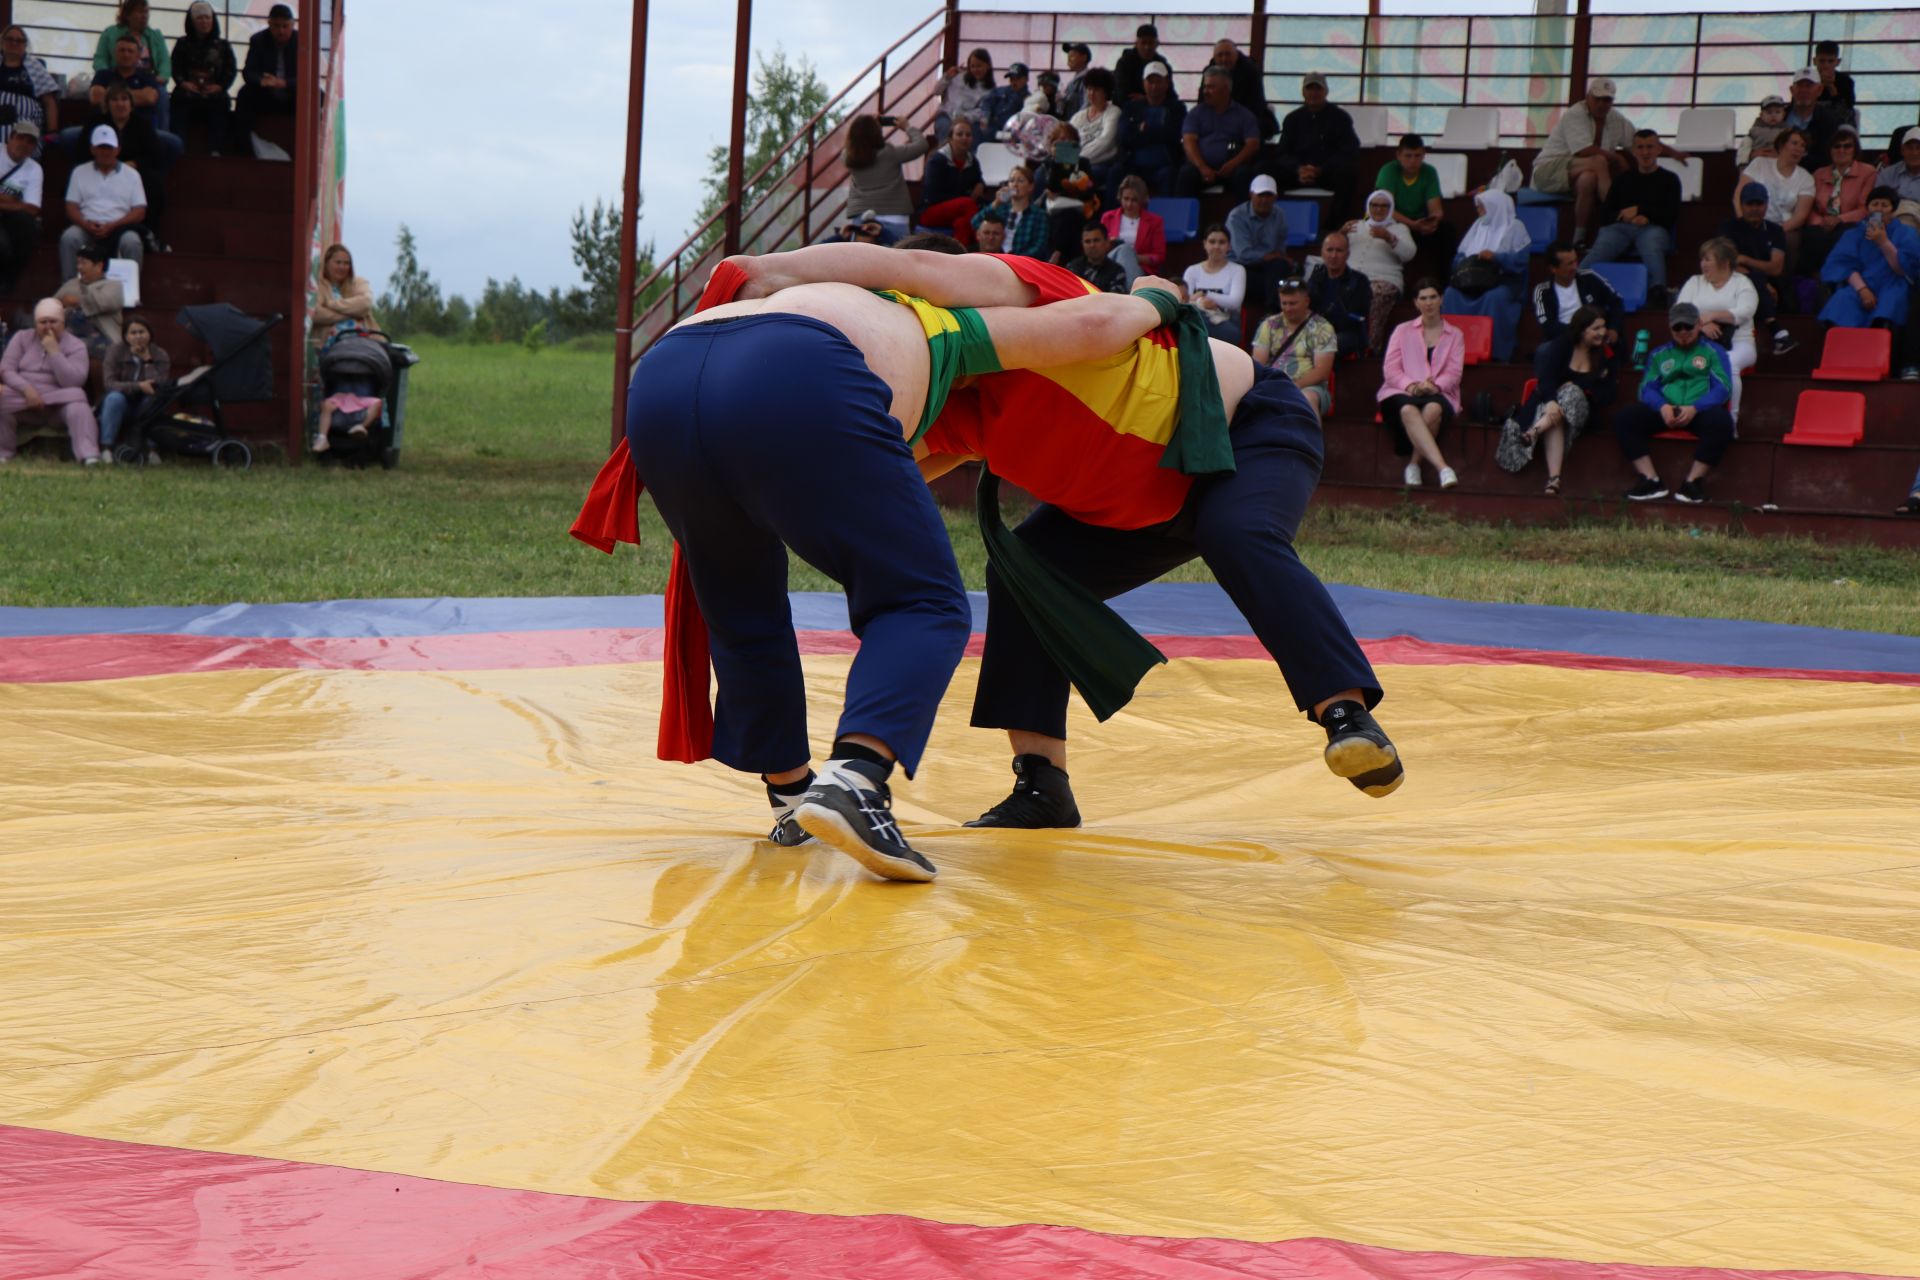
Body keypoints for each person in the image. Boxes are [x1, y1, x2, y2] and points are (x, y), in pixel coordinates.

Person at [723, 242, 1405, 824]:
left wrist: (777, 270)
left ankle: (1345, 714)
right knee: (1023, 571)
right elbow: (875, 485)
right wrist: (771, 509)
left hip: (1244, 432)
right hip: (1141, 501)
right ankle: (1041, 783)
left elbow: (912, 263)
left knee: (1239, 534)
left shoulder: (1030, 298)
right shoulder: (952, 398)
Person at [599, 257, 1183, 879]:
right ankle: (857, 777)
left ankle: (794, 796)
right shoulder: (943, 325)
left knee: (742, 605)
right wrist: (1157, 296)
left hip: (665, 375)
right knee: (923, 602)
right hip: (797, 371)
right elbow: (1096, 325)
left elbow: (888, 467)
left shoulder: (838, 300)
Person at [1616, 301, 1736, 504]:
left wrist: (1696, 407)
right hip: (1667, 409)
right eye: (1677, 327)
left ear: (1699, 324)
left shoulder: (1714, 352)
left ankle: (1692, 483)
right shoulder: (1658, 354)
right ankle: (1650, 480)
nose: (1683, 332)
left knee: (1723, 423)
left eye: (1688, 326)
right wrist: (1662, 407)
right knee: (1625, 418)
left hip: (1698, 411)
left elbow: (1723, 387)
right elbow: (1646, 388)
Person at [1508, 306, 1617, 495]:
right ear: (1582, 330)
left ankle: (1533, 432)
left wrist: (1587, 387)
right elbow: (1546, 378)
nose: (1602, 332)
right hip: (1554, 410)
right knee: (1556, 412)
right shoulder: (1563, 345)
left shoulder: (1606, 356)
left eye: (1603, 327)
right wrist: (1551, 401)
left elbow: (1607, 396)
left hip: (1583, 414)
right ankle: (1554, 479)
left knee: (1571, 391)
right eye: (1596, 328)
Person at [1580, 128, 1682, 306]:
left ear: (1658, 149)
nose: (1645, 152)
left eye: (1650, 147)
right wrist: (1623, 216)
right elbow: (1605, 213)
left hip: (1653, 228)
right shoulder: (1622, 179)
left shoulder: (1670, 179)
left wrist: (1643, 212)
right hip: (1621, 227)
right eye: (1640, 147)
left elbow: (1671, 214)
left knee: (1652, 245)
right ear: (1633, 151)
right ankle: (1576, 282)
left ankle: (1657, 293)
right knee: (1602, 245)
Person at [1529, 77, 1636, 247]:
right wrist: (1617, 158)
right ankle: (1616, 220)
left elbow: (1638, 142)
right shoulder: (1575, 113)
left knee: (1589, 179)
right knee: (1599, 161)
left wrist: (1672, 153)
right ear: (1588, 97)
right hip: (1547, 171)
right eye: (1597, 99)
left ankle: (1578, 237)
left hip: (1575, 175)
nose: (1601, 104)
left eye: (1606, 100)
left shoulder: (1615, 118)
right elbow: (1583, 150)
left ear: (1612, 101)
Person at [1378, 279, 1462, 489]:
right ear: (1415, 303)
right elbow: (1390, 370)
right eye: (1423, 298)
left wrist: (1435, 387)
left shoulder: (1455, 334)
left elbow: (1454, 372)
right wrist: (1413, 387)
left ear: (1441, 299)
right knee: (1407, 409)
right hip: (1400, 390)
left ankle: (1413, 464)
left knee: (1433, 408)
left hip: (1439, 391)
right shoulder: (1402, 330)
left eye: (1433, 297)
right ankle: (1443, 467)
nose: (1429, 303)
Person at [0, 299, 101, 465]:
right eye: (43, 322)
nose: (48, 327)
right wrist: (27, 390)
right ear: (35, 323)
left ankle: (89, 455)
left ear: (62, 323)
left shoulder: (76, 345)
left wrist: (54, 352)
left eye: (53, 321)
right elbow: (6, 369)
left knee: (79, 404)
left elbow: (74, 381)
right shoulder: (22, 338)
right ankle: (3, 453)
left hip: (59, 403)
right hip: (24, 401)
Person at [1442, 188, 1531, 363]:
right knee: (1451, 294)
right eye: (1478, 208)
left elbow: (1520, 261)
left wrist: (1497, 257)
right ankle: (1452, 350)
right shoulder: (1478, 225)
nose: (1480, 211)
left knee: (1494, 298)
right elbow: (1459, 256)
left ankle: (1494, 352)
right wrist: (1466, 262)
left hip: (1502, 280)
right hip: (1472, 280)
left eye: (1483, 207)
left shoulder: (1515, 227)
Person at [1818, 187, 1920, 338]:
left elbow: (1906, 270)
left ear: (1893, 209)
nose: (1879, 209)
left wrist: (1883, 242)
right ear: (1867, 208)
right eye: (1875, 204)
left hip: (1893, 284)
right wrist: (1862, 289)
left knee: (1890, 305)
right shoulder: (1853, 233)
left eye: (1885, 205)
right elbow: (1843, 264)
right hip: (1861, 284)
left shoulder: (1906, 233)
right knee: (1841, 301)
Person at [77, 82, 181, 229]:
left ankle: (149, 232)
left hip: (133, 171)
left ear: (131, 104)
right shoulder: (96, 123)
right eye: (115, 100)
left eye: (124, 99)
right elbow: (82, 153)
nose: (120, 104)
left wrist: (135, 163)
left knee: (154, 184)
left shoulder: (142, 124)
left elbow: (155, 155)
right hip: (100, 169)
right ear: (107, 104)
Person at [1676, 238, 1758, 420]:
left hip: (1739, 342)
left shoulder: (1742, 283)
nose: (1703, 264)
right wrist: (1702, 324)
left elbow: (1745, 311)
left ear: (1725, 262)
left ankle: (1731, 420)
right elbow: (1680, 311)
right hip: (1699, 341)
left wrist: (1712, 315)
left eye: (1708, 259)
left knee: (1728, 363)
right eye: (1702, 259)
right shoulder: (1694, 282)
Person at [60, 126, 146, 283]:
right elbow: (71, 206)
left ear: (117, 149)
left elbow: (140, 210)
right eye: (101, 147)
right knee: (70, 237)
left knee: (132, 241)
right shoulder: (79, 172)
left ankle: (131, 291)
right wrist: (86, 224)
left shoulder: (132, 175)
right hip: (86, 227)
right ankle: (70, 287)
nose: (105, 152)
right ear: (92, 149)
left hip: (119, 228)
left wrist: (114, 225)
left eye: (109, 147)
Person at [1269, 72, 1360, 213]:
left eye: (1318, 89)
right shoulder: (1292, 119)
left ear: (1326, 92)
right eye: (1309, 89)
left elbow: (1350, 149)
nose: (1313, 93)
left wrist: (1321, 169)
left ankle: (1334, 227)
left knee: (1348, 174)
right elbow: (1282, 153)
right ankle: (1277, 218)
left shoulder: (1340, 117)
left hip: (1326, 173)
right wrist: (1298, 169)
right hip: (1297, 173)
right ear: (1303, 92)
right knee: (1268, 172)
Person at [1721, 182, 1794, 355]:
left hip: (1772, 285)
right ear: (1741, 205)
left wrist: (1745, 259)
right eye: (1750, 204)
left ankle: (1777, 333)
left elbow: (1776, 268)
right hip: (1738, 284)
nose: (1754, 209)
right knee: (1753, 283)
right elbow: (1728, 264)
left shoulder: (1775, 231)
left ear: (1766, 205)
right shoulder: (1729, 228)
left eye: (1759, 204)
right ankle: (1777, 332)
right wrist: (1761, 282)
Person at [1249, 277, 1336, 422]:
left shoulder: (1323, 327)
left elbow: (1322, 371)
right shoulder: (1269, 324)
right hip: (1272, 382)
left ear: (1306, 301)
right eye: (1284, 303)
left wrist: (1293, 386)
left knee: (1307, 399)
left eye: (1293, 303)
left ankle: (1311, 443)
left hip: (1309, 386)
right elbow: (1257, 364)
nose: (1288, 308)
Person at [1343, 189, 1415, 351]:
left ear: (1391, 208)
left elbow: (1409, 254)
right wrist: (1341, 234)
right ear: (1368, 206)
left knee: (1374, 292)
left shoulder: (1399, 229)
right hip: (1351, 277)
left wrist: (1389, 238)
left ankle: (1368, 347)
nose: (1378, 209)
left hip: (1384, 279)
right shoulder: (1355, 226)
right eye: (1374, 205)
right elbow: (1335, 250)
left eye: (1384, 206)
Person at [1178, 67, 1262, 199]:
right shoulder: (1195, 113)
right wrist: (1202, 167)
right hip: (1201, 168)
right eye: (1205, 87)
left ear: (1226, 89)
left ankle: (1243, 218)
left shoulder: (1244, 115)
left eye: (1211, 87)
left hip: (1233, 168)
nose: (1206, 91)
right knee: (1186, 174)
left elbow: (1253, 144)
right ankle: (1183, 217)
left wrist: (1233, 164)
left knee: (1244, 174)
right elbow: (1189, 142)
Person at [1737, 127, 1815, 267]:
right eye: (1794, 143)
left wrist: (1774, 232)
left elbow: (1800, 217)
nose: (1798, 148)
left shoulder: (1806, 178)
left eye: (1803, 146)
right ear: (1781, 145)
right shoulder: (1759, 163)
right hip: (1750, 221)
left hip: (1783, 228)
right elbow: (1738, 196)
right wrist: (1743, 222)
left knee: (1789, 242)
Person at [1375, 134, 1454, 270]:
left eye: (1417, 156)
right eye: (1408, 156)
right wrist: (1411, 224)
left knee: (1448, 232)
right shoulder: (1388, 171)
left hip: (1420, 223)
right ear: (1398, 155)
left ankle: (1446, 282)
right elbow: (1385, 209)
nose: (1413, 161)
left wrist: (1433, 221)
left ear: (1424, 155)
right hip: (1395, 223)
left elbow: (1436, 208)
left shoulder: (1429, 171)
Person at [232, 3, 297, 159]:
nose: (280, 31)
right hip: (266, 94)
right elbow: (248, 72)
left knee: (318, 96)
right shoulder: (258, 40)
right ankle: (242, 147)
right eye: (276, 26)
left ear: (292, 25)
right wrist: (262, 81)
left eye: (285, 26)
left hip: (292, 96)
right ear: (269, 24)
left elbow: (308, 80)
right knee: (244, 94)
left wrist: (285, 83)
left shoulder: (302, 43)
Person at [93, 0, 170, 131]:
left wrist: (162, 76)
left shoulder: (155, 35)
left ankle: (160, 133)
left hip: (146, 80)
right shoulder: (110, 33)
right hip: (116, 78)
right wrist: (108, 75)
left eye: (146, 12)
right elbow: (100, 59)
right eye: (140, 12)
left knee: (161, 93)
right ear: (128, 14)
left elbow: (165, 61)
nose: (144, 15)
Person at [170, 2, 235, 155]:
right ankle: (178, 148)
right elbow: (175, 67)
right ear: (192, 22)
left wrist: (220, 86)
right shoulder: (182, 44)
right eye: (200, 18)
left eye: (207, 18)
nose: (204, 22)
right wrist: (184, 83)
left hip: (214, 93)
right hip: (188, 92)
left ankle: (216, 149)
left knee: (222, 103)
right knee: (178, 101)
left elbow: (230, 70)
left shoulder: (223, 45)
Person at [98, 312, 167, 455]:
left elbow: (160, 387)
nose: (138, 336)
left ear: (149, 334)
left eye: (142, 332)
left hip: (144, 403)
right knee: (114, 398)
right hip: (121, 401)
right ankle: (107, 448)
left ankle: (151, 449)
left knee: (153, 401)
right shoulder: (115, 351)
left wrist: (147, 361)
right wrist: (138, 386)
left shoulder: (160, 354)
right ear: (126, 336)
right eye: (133, 333)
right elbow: (109, 383)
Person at [1531, 241, 1623, 347]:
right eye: (1569, 264)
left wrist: (1613, 328)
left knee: (1611, 352)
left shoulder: (1590, 277)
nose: (1575, 267)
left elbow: (1617, 301)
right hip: (1562, 339)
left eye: (1575, 261)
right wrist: (1579, 333)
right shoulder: (1542, 291)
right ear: (1553, 268)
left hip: (1595, 337)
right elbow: (1548, 326)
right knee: (1543, 352)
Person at [1227, 174, 1291, 324]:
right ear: (1251, 194)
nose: (1264, 200)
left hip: (1268, 268)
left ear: (1275, 197)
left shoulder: (1279, 215)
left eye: (1269, 196)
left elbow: (1281, 250)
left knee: (1281, 268)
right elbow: (1243, 254)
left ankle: (1271, 312)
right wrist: (1269, 256)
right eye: (1260, 195)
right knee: (1274, 279)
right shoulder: (1236, 216)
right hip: (1241, 266)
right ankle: (1273, 311)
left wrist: (1275, 257)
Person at [840, 115, 928, 224]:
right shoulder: (890, 153)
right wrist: (907, 127)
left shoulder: (847, 157)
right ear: (876, 133)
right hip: (894, 213)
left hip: (861, 213)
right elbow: (922, 145)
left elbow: (859, 146)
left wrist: (867, 124)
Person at [1034, 120, 1101, 262]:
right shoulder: (1046, 166)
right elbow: (1049, 189)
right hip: (1051, 211)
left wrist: (1066, 193)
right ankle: (1056, 255)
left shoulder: (1083, 163)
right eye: (1060, 140)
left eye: (1068, 140)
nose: (1064, 144)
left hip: (1078, 209)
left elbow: (1088, 190)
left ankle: (1057, 255)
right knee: (1062, 218)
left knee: (1068, 216)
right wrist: (1055, 162)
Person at [1117, 61, 1185, 198]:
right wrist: (1157, 132)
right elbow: (1124, 136)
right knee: (1115, 172)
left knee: (1170, 176)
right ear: (1143, 83)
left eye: (1158, 81)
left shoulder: (1177, 108)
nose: (1154, 86)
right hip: (1134, 165)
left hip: (1164, 165)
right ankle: (1110, 218)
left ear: (1167, 83)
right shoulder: (1131, 107)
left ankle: (1167, 218)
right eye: (1150, 81)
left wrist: (1144, 130)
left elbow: (1173, 135)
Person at [914, 118, 985, 247]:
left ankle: (960, 257)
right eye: (959, 134)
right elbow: (932, 196)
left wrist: (980, 184)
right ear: (950, 138)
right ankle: (982, 240)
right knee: (967, 203)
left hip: (957, 212)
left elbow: (978, 180)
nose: (964, 138)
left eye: (968, 135)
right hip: (930, 211)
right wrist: (962, 199)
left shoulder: (972, 161)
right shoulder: (937, 161)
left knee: (962, 223)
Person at [1304, 229, 1371, 358]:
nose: (1334, 255)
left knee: (1325, 345)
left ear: (1348, 254)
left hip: (1347, 334)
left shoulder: (1360, 281)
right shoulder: (1316, 278)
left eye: (1339, 251)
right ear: (1322, 253)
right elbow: (1307, 309)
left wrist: (1325, 329)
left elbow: (1355, 318)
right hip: (1316, 332)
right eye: (1329, 250)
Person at [56, 242, 125, 356]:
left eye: (84, 263)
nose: (79, 267)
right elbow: (52, 303)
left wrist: (77, 301)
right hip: (68, 335)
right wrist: (59, 304)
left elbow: (105, 302)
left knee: (74, 346)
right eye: (78, 263)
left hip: (102, 338)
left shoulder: (114, 285)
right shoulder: (71, 284)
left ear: (99, 266)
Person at [0, 120, 44, 296]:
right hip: (9, 213)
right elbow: (24, 204)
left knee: (27, 225)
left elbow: (33, 208)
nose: (24, 144)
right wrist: (11, 201)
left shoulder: (34, 169)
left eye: (30, 141)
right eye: (21, 138)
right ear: (11, 137)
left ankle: (8, 283)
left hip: (11, 218)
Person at [0, 26, 59, 153]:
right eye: (10, 39)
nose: (14, 43)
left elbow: (49, 102)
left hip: (26, 123)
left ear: (25, 45)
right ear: (2, 42)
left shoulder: (35, 67)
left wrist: (52, 131)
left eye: (19, 41)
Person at [1182, 224, 1246, 339]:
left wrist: (1204, 294)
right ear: (1204, 244)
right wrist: (1203, 302)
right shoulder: (1192, 271)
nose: (1217, 246)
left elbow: (1235, 302)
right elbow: (1185, 300)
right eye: (1212, 242)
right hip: (1197, 319)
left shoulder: (1238, 270)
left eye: (1222, 242)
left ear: (1229, 246)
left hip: (1227, 322)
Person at [310, 242, 376, 353]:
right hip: (331, 348)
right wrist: (353, 312)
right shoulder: (319, 286)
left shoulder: (358, 283)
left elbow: (366, 303)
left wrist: (332, 304)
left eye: (346, 263)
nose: (342, 267)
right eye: (338, 262)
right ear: (326, 264)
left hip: (364, 345)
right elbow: (316, 313)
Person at [974, 164, 1048, 259]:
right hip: (996, 258)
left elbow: (1039, 247)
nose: (1015, 185)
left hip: (1022, 262)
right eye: (1012, 181)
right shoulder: (1001, 209)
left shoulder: (1039, 215)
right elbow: (975, 223)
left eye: (1020, 181)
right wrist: (996, 203)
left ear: (1031, 187)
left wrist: (1015, 259)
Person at [1100, 175, 1165, 277]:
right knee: (1123, 250)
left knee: (1126, 251)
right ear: (1120, 197)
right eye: (1126, 199)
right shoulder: (1108, 217)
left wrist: (1133, 257)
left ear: (1141, 200)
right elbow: (1100, 249)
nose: (1129, 204)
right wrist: (1109, 244)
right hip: (1111, 263)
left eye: (1134, 200)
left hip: (1141, 268)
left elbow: (1159, 256)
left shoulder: (1155, 221)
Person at [1782, 66, 1845, 170]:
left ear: (1819, 90)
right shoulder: (1779, 116)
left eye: (1809, 86)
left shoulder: (1830, 120)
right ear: (1792, 90)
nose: (1804, 90)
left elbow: (1828, 157)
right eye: (1800, 86)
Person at [1208, 39, 1274, 138]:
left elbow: (1256, 106)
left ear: (1236, 55)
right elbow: (1203, 101)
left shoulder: (1250, 71)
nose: (1224, 59)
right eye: (1220, 55)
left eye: (1228, 54)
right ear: (1215, 58)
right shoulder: (1209, 72)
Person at [1068, 68, 1122, 183]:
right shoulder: (1078, 116)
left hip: (1099, 164)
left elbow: (1105, 142)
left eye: (1096, 90)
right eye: (1089, 89)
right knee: (1042, 173)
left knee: (1076, 177)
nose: (1091, 93)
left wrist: (1076, 158)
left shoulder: (1113, 112)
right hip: (1073, 161)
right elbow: (1066, 138)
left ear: (1106, 92)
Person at [1874, 128, 1920, 230]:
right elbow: (1877, 205)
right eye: (1910, 148)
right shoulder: (1887, 174)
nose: (1915, 153)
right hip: (1889, 224)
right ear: (1902, 150)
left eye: (1918, 148)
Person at [1113, 23, 1174, 100]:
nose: (1147, 47)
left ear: (1157, 44)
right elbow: (1121, 94)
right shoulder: (1124, 63)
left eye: (1150, 43)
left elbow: (1171, 95)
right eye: (1143, 43)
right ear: (1136, 44)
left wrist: (1145, 99)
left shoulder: (1163, 65)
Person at [1066, 220, 1127, 293]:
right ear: (1082, 244)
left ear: (1107, 242)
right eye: (1087, 241)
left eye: (1096, 240)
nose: (1092, 245)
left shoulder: (1117, 271)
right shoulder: (1072, 267)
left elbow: (1115, 299)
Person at [982, 62, 1030, 139]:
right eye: (1011, 79)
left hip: (1012, 135)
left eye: (1017, 79)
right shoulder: (998, 91)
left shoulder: (1029, 99)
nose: (1014, 82)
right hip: (991, 131)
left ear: (1026, 79)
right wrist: (985, 117)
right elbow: (987, 103)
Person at [1812, 40, 1857, 121]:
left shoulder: (1846, 82)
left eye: (1831, 61)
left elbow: (1848, 113)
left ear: (1838, 62)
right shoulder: (1806, 80)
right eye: (1822, 61)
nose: (1826, 65)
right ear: (1815, 61)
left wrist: (1831, 88)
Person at [1746, 94, 1789, 161]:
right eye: (1769, 112)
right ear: (1761, 115)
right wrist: (1750, 155)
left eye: (1777, 112)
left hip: (1779, 162)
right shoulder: (1754, 130)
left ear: (1783, 114)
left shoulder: (1788, 132)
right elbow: (1745, 148)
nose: (1773, 115)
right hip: (1758, 161)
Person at [1058, 42, 1092, 120]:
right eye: (1068, 56)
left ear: (1084, 58)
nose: (1068, 60)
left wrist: (1076, 121)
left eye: (1072, 56)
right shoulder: (1071, 83)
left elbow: (1087, 105)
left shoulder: (1088, 79)